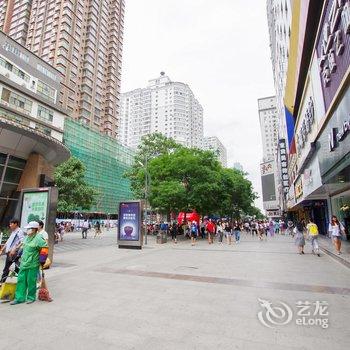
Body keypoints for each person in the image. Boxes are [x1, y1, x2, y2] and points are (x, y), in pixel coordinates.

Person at [10, 221, 48, 305]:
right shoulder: (27, 237)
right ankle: (19, 298)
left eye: (29, 229)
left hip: (33, 264)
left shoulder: (39, 238)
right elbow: (23, 246)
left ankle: (31, 297)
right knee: (21, 280)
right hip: (24, 263)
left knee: (31, 281)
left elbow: (45, 248)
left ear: (34, 229)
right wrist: (16, 252)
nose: (27, 230)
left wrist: (42, 259)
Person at [0, 219, 25, 285]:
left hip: (14, 254)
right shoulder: (13, 232)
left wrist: (15, 249)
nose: (10, 225)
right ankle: (1, 283)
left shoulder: (19, 231)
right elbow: (8, 241)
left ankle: (23, 281)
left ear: (16, 224)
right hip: (9, 253)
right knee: (6, 269)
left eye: (11, 224)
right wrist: (2, 249)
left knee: (17, 268)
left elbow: (22, 242)